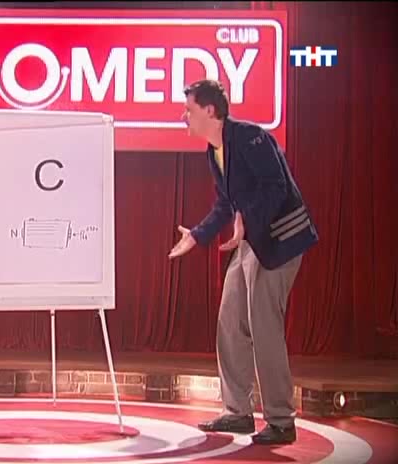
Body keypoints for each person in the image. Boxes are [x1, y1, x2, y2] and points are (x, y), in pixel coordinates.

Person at [169, 79, 318, 445]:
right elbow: (225, 203)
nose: (184, 116)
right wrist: (198, 235)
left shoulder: (250, 137)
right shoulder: (215, 151)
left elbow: (276, 186)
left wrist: (245, 220)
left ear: (209, 110)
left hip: (279, 239)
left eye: (189, 109)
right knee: (230, 322)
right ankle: (238, 412)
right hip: (251, 240)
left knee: (264, 328)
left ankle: (281, 420)